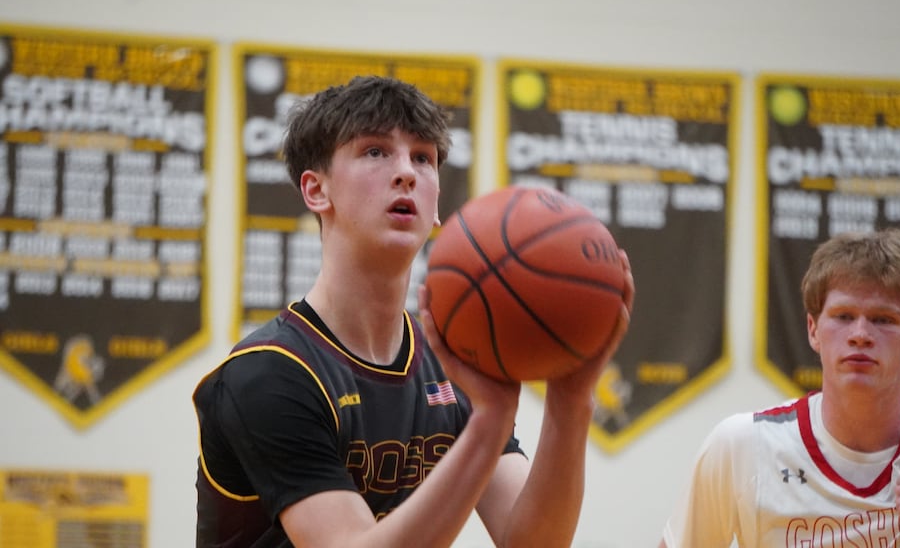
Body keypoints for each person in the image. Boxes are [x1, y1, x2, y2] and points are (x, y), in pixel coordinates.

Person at [193, 75, 633, 548]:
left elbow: (533, 543)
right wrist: (488, 425)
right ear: (316, 190)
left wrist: (571, 402)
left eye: (423, 157)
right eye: (375, 152)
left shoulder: (454, 360)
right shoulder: (269, 374)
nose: (406, 172)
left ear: (437, 202)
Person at [658, 228, 900, 548]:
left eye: (883, 319)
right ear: (813, 330)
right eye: (843, 316)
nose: (860, 334)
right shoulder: (742, 446)